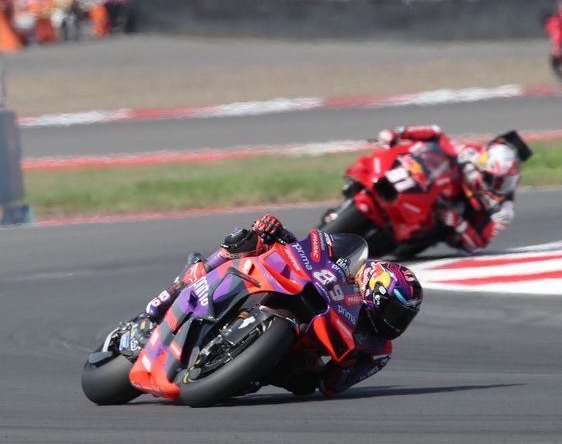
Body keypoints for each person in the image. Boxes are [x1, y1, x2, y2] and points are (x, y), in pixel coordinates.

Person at [137, 214, 423, 397]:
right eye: (394, 312)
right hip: (293, 296)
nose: (395, 322)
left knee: (304, 383)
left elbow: (331, 386)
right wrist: (280, 234)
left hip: (300, 353)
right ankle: (187, 281)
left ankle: (238, 370)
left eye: (403, 318)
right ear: (373, 292)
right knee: (249, 241)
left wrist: (345, 363)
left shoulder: (378, 351)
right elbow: (311, 251)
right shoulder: (347, 278)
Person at [376, 126, 530, 252]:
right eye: (496, 181)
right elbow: (437, 135)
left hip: (456, 220)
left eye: (506, 182)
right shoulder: (469, 153)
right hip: (437, 186)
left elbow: (478, 244)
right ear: (482, 167)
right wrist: (401, 132)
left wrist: (458, 222)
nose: (500, 188)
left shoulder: (503, 212)